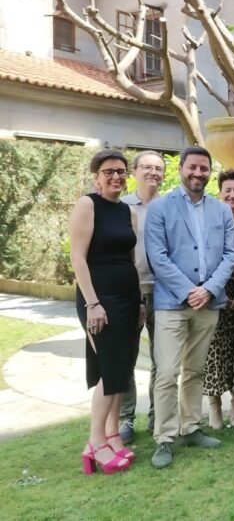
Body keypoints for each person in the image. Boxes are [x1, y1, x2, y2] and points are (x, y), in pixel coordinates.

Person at [144, 145, 234, 469]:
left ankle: (190, 427)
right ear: (181, 169)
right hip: (171, 304)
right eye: (192, 167)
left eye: (203, 168)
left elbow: (229, 255)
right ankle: (165, 438)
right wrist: (188, 291)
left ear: (210, 171)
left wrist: (209, 290)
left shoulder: (221, 210)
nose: (198, 173)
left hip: (208, 304)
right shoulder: (160, 208)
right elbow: (158, 256)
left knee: (195, 370)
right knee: (168, 372)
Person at [70, 149, 139, 475]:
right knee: (110, 372)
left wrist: (139, 302)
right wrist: (92, 303)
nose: (116, 176)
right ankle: (95, 442)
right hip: (99, 300)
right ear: (96, 176)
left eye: (121, 171)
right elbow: (78, 259)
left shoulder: (127, 211)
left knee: (121, 371)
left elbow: (129, 261)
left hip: (127, 299)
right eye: (109, 171)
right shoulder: (88, 205)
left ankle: (112, 435)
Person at [119, 150, 165, 443]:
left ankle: (157, 416)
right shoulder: (121, 207)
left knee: (163, 358)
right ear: (134, 172)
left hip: (163, 291)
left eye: (158, 168)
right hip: (128, 292)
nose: (153, 172)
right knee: (126, 357)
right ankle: (125, 418)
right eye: (146, 167)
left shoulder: (170, 206)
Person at [202, 169, 234, 429]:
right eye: (227, 190)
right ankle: (214, 407)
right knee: (214, 352)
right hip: (213, 294)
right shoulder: (210, 221)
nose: (232, 194)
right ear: (220, 193)